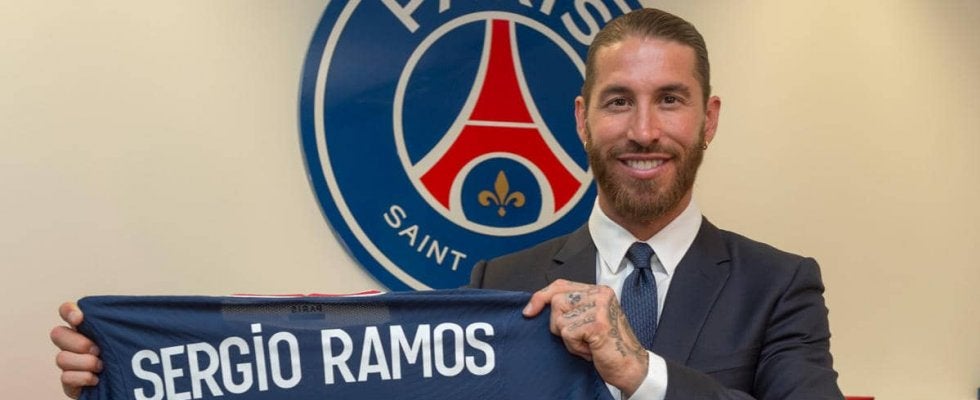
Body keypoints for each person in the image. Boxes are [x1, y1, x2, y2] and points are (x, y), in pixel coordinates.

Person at [51, 8, 842, 400]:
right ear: (580, 119)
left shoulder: (780, 285)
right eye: (617, 101)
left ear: (708, 118)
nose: (643, 130)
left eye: (669, 100)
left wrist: (641, 373)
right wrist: (138, 372)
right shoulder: (501, 280)